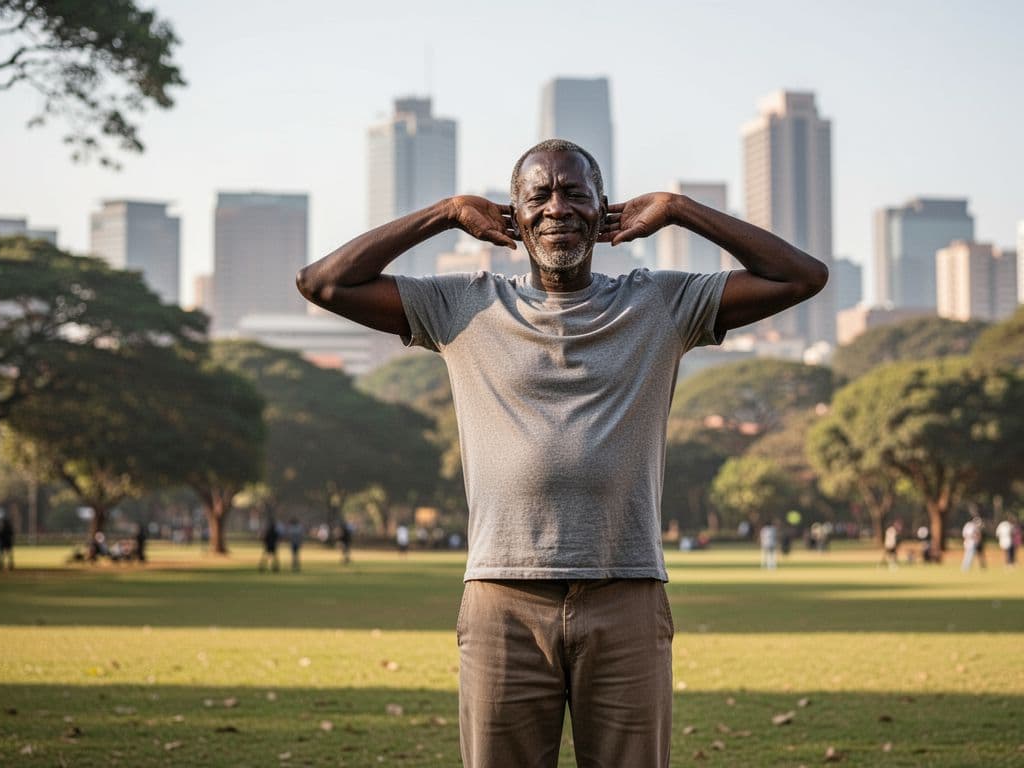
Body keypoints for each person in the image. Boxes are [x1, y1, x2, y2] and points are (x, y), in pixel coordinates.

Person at [296, 138, 827, 768]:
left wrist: (681, 209)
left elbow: (802, 276)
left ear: (605, 212)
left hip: (625, 593)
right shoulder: (462, 304)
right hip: (502, 600)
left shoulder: (659, 302)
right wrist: (443, 212)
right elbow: (323, 282)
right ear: (511, 218)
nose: (557, 207)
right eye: (539, 195)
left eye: (575, 193)